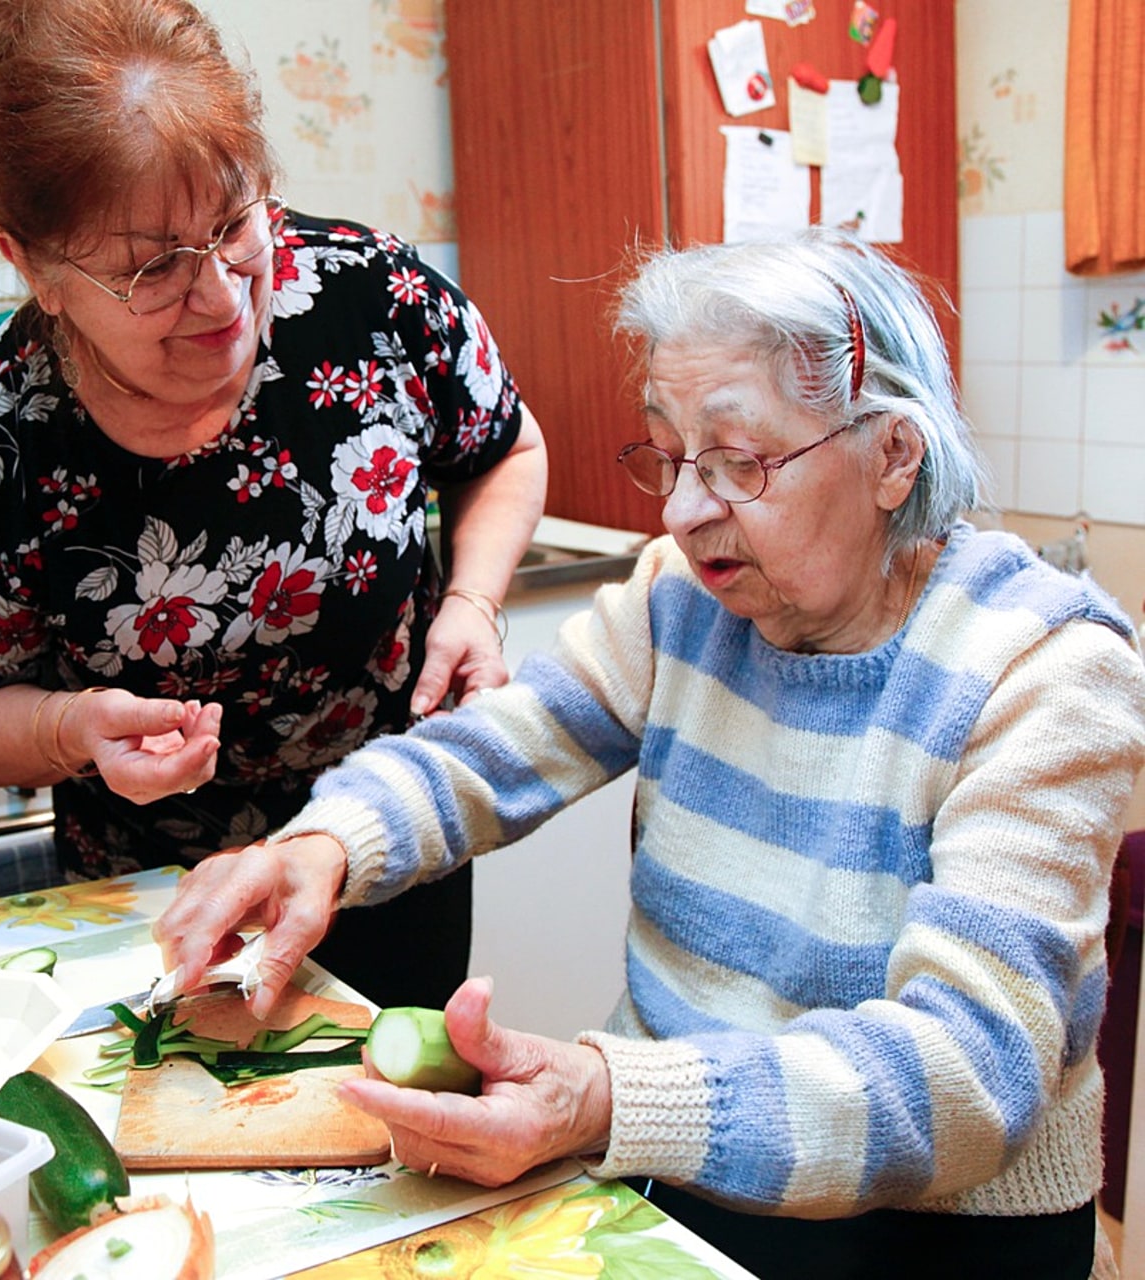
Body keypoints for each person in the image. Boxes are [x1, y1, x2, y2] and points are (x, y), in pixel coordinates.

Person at [155, 227, 1145, 1280]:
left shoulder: (1043, 671)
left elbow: (960, 1077)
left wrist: (607, 1095)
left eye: (735, 461)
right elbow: (497, 746)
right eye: (667, 455)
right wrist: (323, 847)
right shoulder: (684, 596)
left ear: (891, 455)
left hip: (928, 1233)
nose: (681, 512)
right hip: (673, 1170)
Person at [0, 0, 547, 1010]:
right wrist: (74, 726)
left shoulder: (373, 300)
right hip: (152, 901)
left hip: (382, 853)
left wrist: (470, 601)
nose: (218, 296)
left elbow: (505, 449)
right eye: (151, 267)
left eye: (234, 225)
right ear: (33, 266)